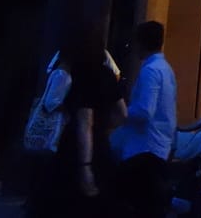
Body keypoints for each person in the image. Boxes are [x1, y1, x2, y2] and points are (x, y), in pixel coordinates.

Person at [25, 22, 126, 218]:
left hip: (70, 149)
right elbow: (122, 113)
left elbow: (84, 121)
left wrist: (84, 166)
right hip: (101, 149)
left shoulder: (75, 73)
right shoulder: (106, 74)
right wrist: (103, 126)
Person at [117, 20, 178, 218]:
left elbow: (144, 111)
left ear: (141, 42)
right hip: (159, 147)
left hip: (144, 149)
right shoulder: (166, 69)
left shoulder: (150, 71)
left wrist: (122, 112)